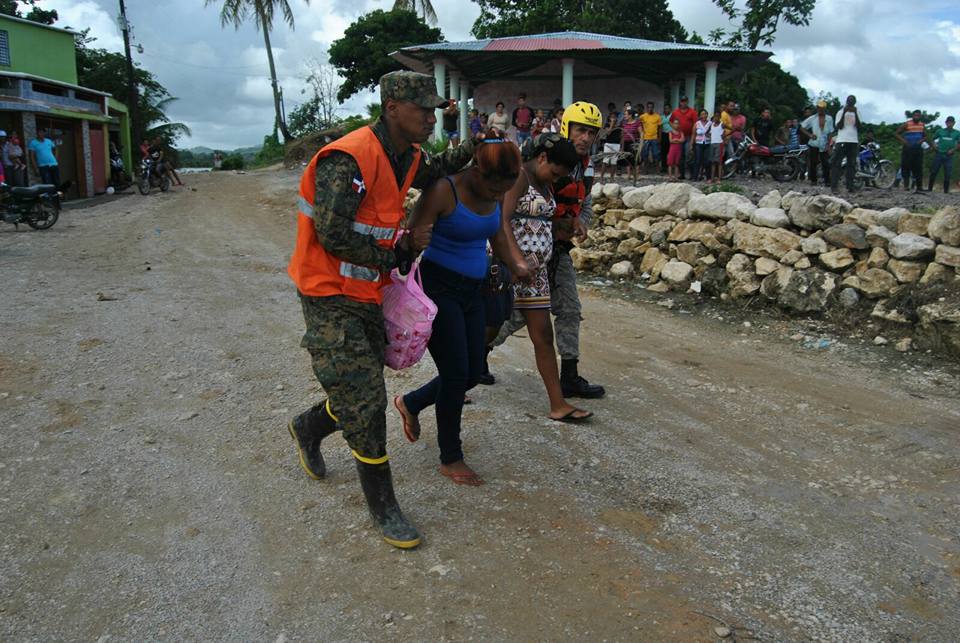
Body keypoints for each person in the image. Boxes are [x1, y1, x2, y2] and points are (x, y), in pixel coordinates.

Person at [286, 70, 478, 549]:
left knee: (359, 387)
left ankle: (307, 427)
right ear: (393, 107)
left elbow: (441, 166)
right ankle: (385, 507)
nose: (431, 117)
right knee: (368, 404)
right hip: (327, 293)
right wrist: (396, 252)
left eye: (436, 110)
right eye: (424, 109)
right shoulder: (349, 158)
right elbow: (333, 234)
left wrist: (475, 137)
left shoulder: (407, 157)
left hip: (369, 293)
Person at [394, 137, 530, 486]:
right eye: (494, 185)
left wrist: (515, 264)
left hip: (475, 288)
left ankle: (411, 402)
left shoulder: (496, 190)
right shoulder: (444, 191)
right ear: (476, 170)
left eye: (506, 186)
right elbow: (409, 236)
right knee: (456, 374)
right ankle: (450, 456)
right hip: (439, 289)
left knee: (472, 372)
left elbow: (498, 234)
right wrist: (412, 241)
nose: (498, 193)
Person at [491, 102, 606, 399]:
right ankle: (475, 355)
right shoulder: (541, 154)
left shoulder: (585, 167)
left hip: (557, 250)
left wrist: (580, 221)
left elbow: (586, 202)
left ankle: (569, 375)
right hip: (525, 248)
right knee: (516, 313)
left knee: (568, 309)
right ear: (567, 127)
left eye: (591, 133)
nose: (585, 138)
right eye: (580, 130)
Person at [500, 132, 593, 422]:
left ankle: (558, 404)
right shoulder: (519, 178)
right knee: (486, 332)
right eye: (554, 170)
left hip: (535, 273)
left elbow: (537, 223)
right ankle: (448, 385)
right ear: (541, 158)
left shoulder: (543, 182)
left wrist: (565, 227)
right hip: (509, 271)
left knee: (543, 336)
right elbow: (501, 220)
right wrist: (515, 261)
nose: (556, 178)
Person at [799, 100, 834, 186]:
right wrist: (810, 135)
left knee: (825, 163)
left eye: (822, 108)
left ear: (824, 109)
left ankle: (827, 181)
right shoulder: (812, 118)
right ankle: (813, 180)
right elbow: (802, 127)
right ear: (817, 108)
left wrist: (829, 145)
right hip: (814, 142)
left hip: (824, 143)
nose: (820, 110)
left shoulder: (829, 119)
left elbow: (830, 132)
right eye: (819, 108)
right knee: (813, 162)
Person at [831, 95, 861, 193]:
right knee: (837, 163)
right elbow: (839, 126)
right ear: (847, 102)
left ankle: (850, 186)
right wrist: (844, 112)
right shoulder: (840, 112)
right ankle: (834, 186)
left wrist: (855, 113)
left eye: (852, 101)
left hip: (853, 141)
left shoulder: (858, 112)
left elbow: (859, 126)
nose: (851, 103)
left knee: (851, 164)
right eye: (849, 101)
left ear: (855, 103)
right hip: (842, 140)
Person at [896, 109, 929, 192]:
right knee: (906, 167)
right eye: (915, 115)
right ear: (913, 116)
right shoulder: (907, 124)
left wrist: (921, 141)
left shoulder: (922, 125)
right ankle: (906, 186)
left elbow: (925, 136)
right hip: (908, 148)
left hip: (918, 149)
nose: (916, 117)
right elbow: (896, 133)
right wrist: (904, 141)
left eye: (918, 116)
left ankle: (919, 186)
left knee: (918, 168)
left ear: (920, 116)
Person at [929, 116, 959, 193]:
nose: (950, 123)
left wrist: (953, 149)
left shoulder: (957, 133)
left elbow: (959, 143)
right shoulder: (940, 131)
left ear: (954, 123)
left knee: (947, 173)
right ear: (946, 123)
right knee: (934, 171)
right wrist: (934, 145)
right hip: (939, 154)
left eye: (951, 122)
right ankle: (929, 189)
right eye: (948, 122)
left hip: (949, 156)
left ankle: (946, 191)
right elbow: (932, 139)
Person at [670, 96, 696, 179]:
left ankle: (692, 174)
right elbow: (670, 121)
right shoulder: (675, 112)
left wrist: (693, 138)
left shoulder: (692, 112)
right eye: (682, 101)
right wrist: (675, 130)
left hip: (688, 137)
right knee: (680, 156)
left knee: (689, 155)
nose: (683, 103)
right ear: (680, 102)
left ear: (687, 101)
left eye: (685, 101)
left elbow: (695, 125)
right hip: (679, 136)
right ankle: (682, 174)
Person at [639, 102, 661, 174]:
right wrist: (642, 134)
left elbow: (660, 128)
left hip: (654, 138)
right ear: (646, 108)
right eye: (648, 107)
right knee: (645, 155)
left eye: (651, 107)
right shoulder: (643, 116)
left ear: (653, 108)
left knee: (656, 154)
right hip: (646, 138)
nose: (650, 109)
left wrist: (659, 138)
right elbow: (639, 125)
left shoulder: (657, 116)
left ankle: (657, 170)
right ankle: (645, 170)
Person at [599, 113, 622, 180]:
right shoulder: (607, 124)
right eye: (612, 117)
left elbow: (621, 137)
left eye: (614, 117)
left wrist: (621, 147)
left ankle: (612, 177)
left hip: (616, 145)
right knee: (605, 161)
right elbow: (608, 132)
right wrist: (612, 124)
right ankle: (601, 177)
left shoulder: (619, 126)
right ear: (609, 118)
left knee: (614, 162)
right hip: (608, 144)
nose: (613, 118)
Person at [621, 109, 642, 183]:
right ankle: (629, 175)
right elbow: (623, 135)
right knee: (627, 158)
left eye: (626, 114)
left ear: (630, 115)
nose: (625, 116)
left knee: (635, 158)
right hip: (626, 142)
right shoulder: (624, 123)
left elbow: (641, 133)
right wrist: (622, 146)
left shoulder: (637, 123)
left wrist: (640, 143)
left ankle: (636, 175)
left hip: (634, 143)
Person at [693, 109, 711, 181]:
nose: (704, 115)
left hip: (707, 143)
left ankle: (708, 177)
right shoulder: (697, 123)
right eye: (702, 114)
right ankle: (695, 177)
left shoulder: (710, 123)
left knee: (707, 161)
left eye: (705, 114)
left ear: (707, 115)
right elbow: (693, 134)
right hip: (698, 143)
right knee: (698, 160)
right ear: (700, 116)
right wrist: (691, 144)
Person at [708, 110, 726, 183]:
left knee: (719, 162)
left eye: (718, 116)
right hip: (712, 143)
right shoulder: (711, 125)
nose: (716, 118)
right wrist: (711, 137)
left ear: (720, 117)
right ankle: (712, 178)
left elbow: (730, 129)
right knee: (713, 162)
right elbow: (707, 133)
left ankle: (719, 179)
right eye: (715, 116)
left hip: (719, 143)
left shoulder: (722, 124)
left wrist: (724, 135)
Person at [660, 103, 673, 173]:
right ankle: (663, 167)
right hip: (663, 135)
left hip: (671, 134)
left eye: (667, 108)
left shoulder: (673, 116)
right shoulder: (661, 116)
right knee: (663, 152)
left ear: (670, 109)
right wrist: (659, 137)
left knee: (670, 152)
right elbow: (660, 127)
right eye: (665, 108)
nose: (666, 110)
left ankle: (670, 167)